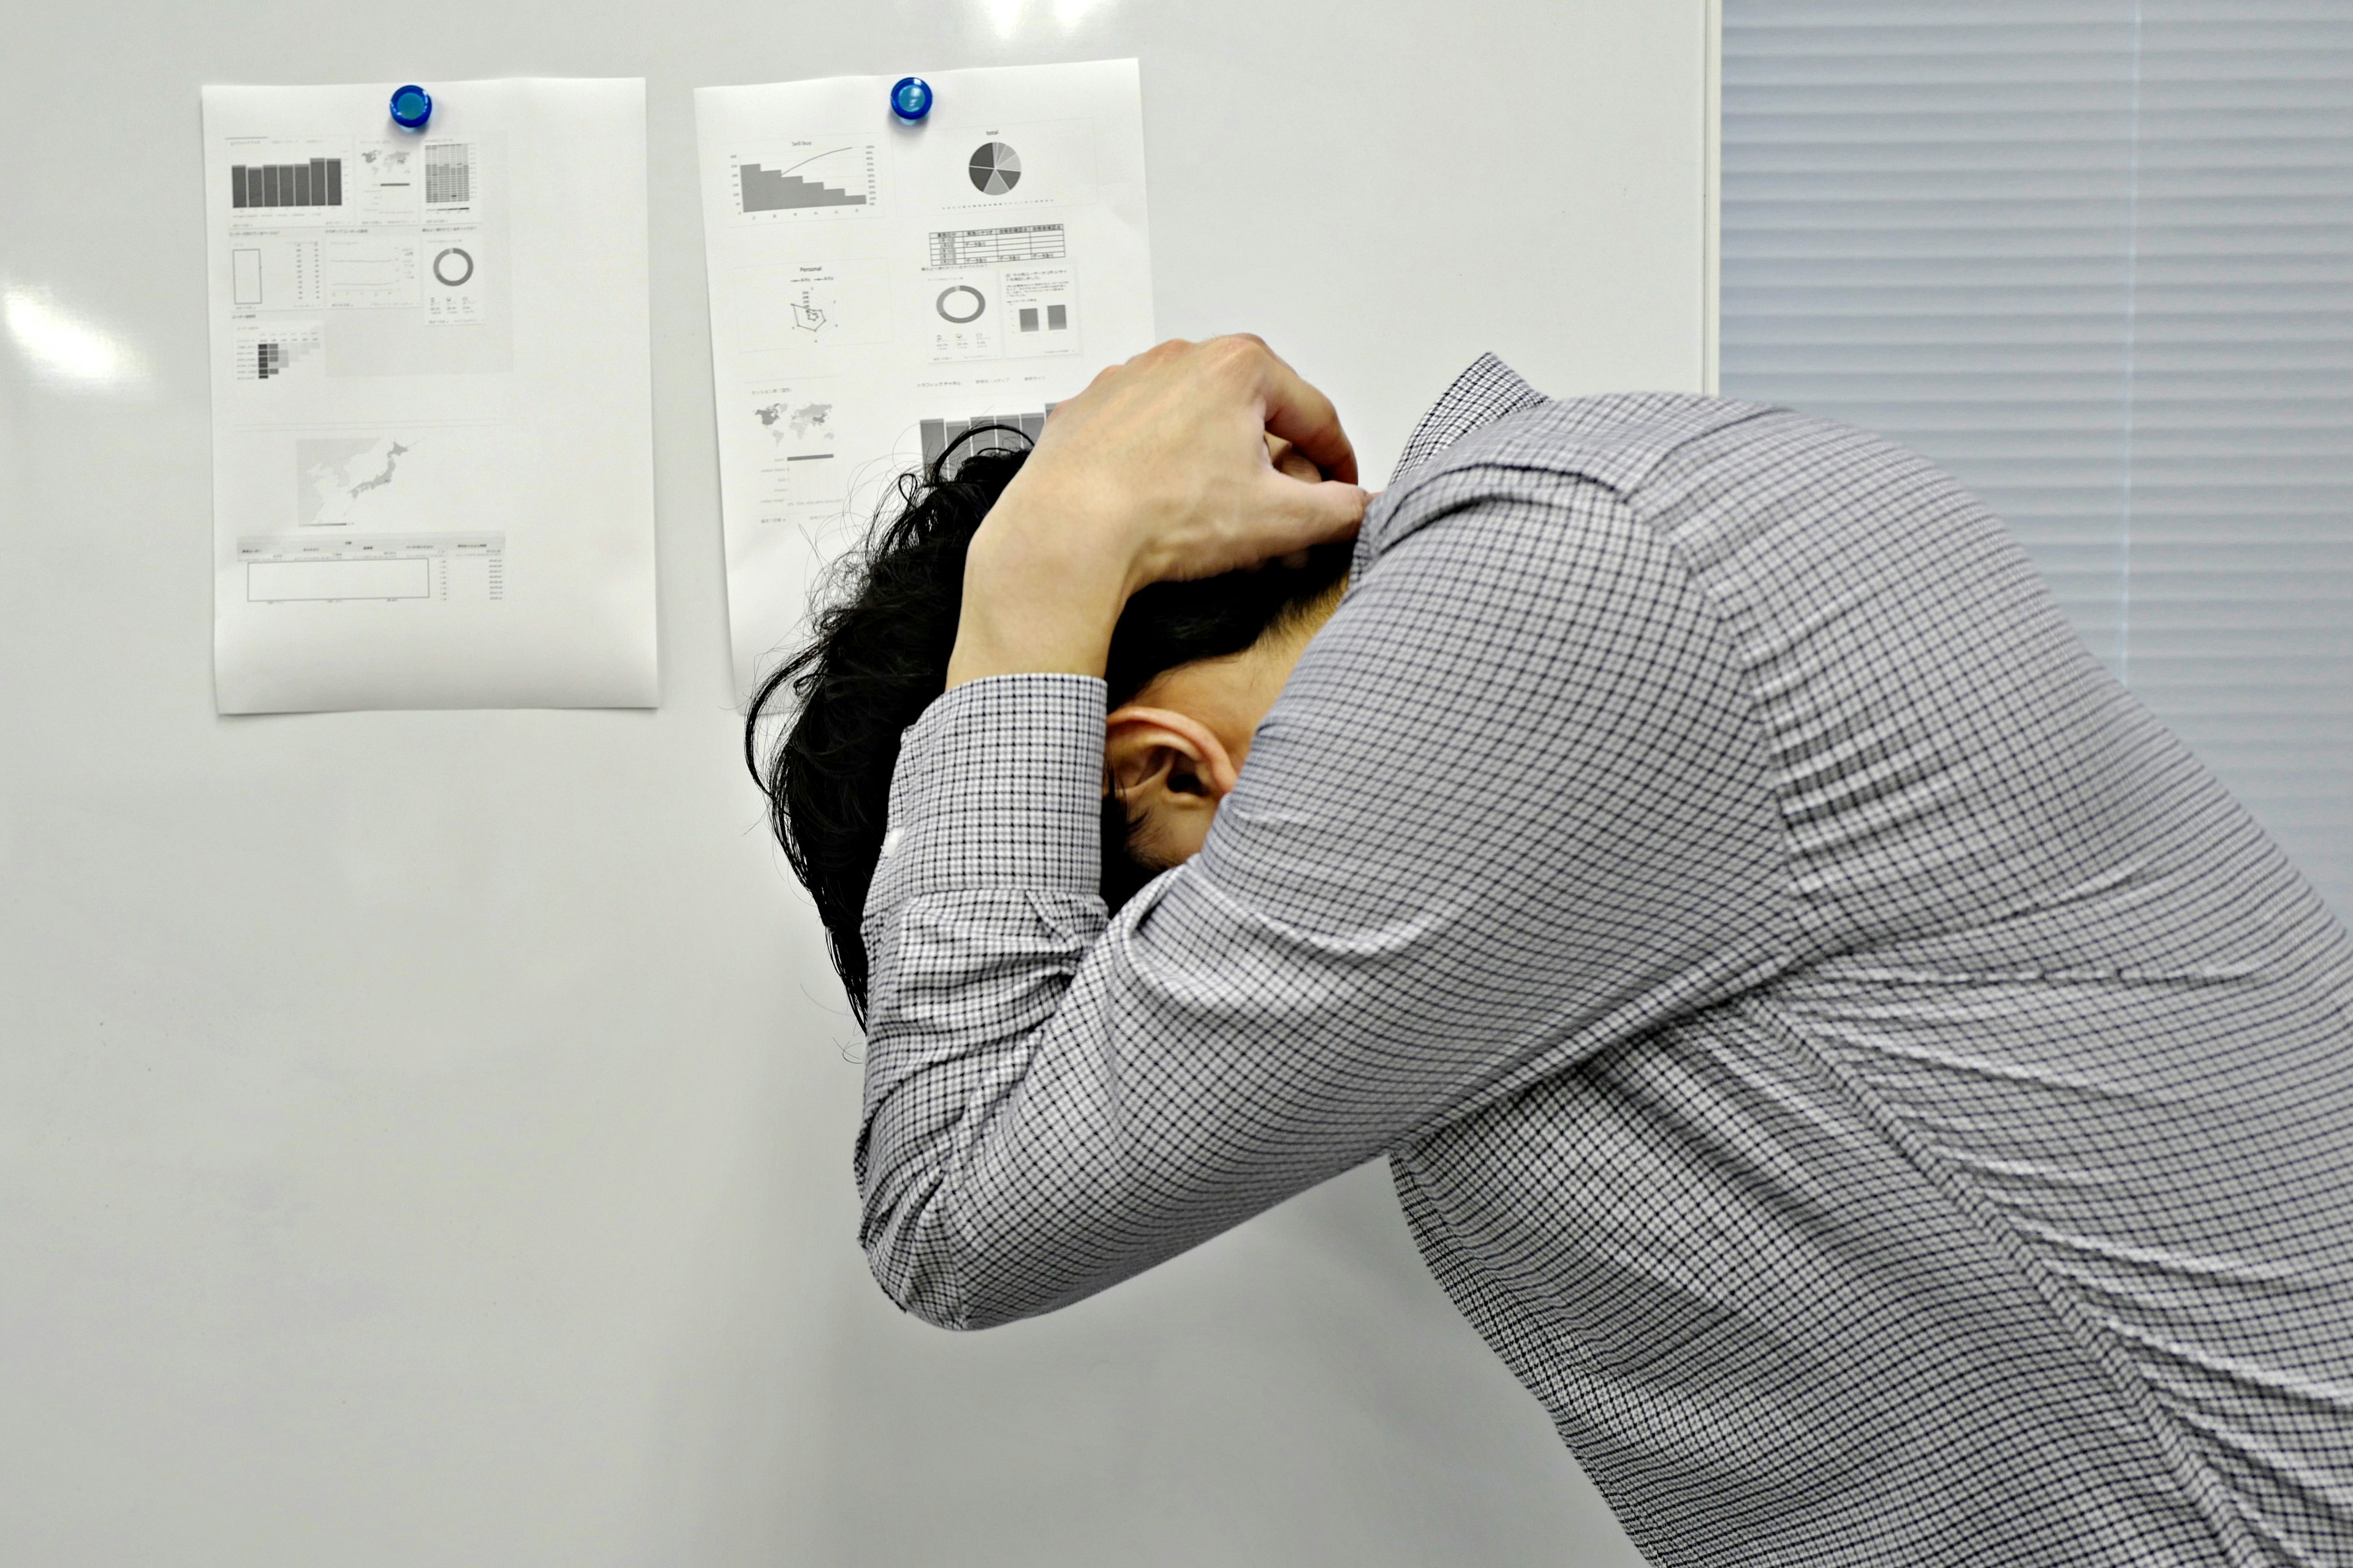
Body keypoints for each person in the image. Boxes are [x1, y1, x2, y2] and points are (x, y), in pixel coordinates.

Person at [749, 337, 2353, 1567]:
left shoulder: (1547, 597)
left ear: (1164, 773)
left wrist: (1044, 574)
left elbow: (962, 1211)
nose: (1207, 1001)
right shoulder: (1597, 546)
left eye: (1155, 944)